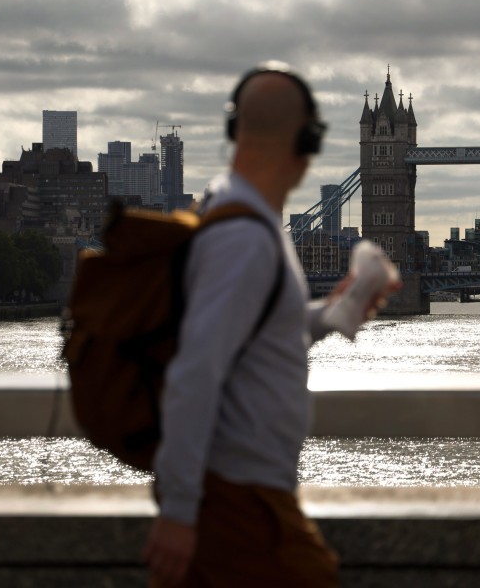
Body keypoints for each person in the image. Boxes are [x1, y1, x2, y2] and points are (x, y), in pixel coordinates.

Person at [142, 63, 396, 587]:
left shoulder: (242, 217)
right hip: (238, 500)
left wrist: (329, 314)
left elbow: (249, 329)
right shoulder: (245, 238)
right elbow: (197, 371)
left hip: (248, 493)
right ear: (307, 141)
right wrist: (181, 512)